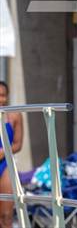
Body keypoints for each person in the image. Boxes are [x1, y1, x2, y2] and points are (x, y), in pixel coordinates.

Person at [0, 80, 23, 228]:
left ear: (7, 97)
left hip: (5, 164)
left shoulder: (14, 115)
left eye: (2, 95)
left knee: (6, 216)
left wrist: (4, 152)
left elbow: (18, 144)